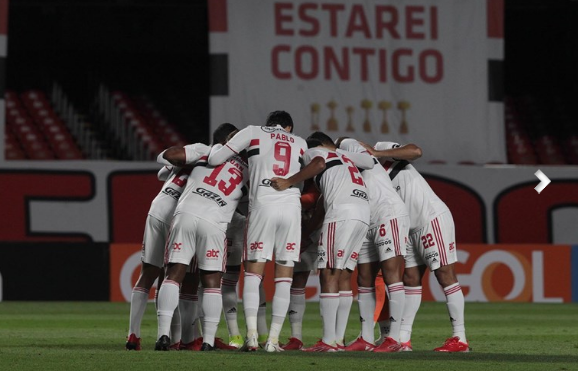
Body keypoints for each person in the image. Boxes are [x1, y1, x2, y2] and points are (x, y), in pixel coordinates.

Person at [208, 111, 308, 352]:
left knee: (254, 273)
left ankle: (252, 337)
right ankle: (273, 341)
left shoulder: (252, 131)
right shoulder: (300, 141)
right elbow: (311, 172)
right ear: (288, 127)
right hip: (292, 206)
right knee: (285, 275)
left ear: (268, 125)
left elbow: (215, 158)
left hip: (263, 204)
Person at [363, 141, 470, 352]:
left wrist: (377, 152)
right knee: (410, 279)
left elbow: (415, 151)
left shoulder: (383, 150)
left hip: (431, 218)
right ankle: (403, 339)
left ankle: (460, 338)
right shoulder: (362, 177)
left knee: (444, 274)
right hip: (408, 227)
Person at [271, 131, 372, 352]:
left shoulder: (315, 151)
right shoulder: (347, 158)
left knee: (327, 273)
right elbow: (369, 161)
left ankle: (327, 342)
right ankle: (337, 341)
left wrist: (289, 181)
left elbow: (316, 163)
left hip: (342, 212)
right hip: (363, 213)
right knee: (344, 276)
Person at [155, 124, 249, 351]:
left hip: (186, 213)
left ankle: (163, 336)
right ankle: (207, 340)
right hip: (215, 222)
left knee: (174, 274)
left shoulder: (205, 150)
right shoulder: (251, 169)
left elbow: (167, 156)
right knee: (212, 282)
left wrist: (177, 163)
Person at [336, 138, 410, 353]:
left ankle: (393, 338)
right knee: (364, 278)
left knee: (391, 274)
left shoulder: (345, 144)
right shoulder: (337, 163)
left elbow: (367, 160)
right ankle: (366, 337)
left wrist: (336, 151)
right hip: (368, 217)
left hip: (388, 212)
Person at [125, 153, 194, 351]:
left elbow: (161, 174)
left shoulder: (185, 160)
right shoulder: (212, 165)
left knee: (147, 273)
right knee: (173, 275)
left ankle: (133, 334)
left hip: (156, 208)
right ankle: (167, 337)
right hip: (177, 214)